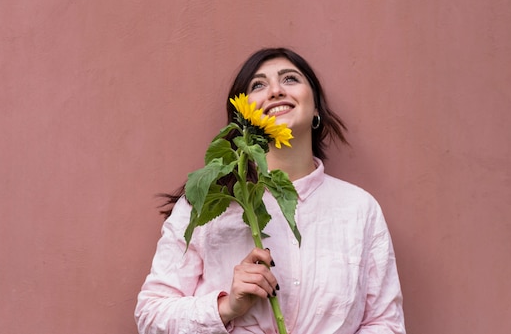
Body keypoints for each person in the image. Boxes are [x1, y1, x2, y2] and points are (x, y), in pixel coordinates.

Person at [135, 48, 406, 334]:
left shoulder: (359, 209)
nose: (275, 90)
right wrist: (227, 307)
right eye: (259, 85)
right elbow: (150, 315)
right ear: (243, 117)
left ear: (316, 109)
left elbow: (384, 323)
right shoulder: (206, 204)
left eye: (290, 79)